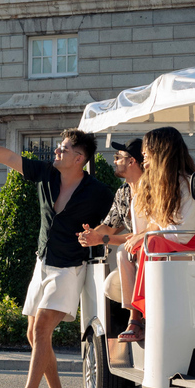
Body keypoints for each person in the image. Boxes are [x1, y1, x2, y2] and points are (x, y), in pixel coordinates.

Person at [0, 129, 113, 388]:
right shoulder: (46, 174)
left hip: (69, 268)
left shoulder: (98, 193)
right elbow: (8, 157)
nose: (57, 151)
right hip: (43, 262)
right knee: (33, 335)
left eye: (63, 148)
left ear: (79, 158)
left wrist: (99, 236)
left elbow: (114, 225)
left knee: (42, 328)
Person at [122, 126, 195, 341]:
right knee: (128, 250)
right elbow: (150, 226)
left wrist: (149, 234)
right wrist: (146, 233)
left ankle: (147, 317)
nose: (143, 155)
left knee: (152, 245)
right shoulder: (154, 186)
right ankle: (139, 317)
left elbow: (182, 235)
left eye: (147, 150)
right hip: (170, 245)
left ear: (161, 151)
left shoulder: (188, 183)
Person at [77, 138, 146, 340]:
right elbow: (109, 226)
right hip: (135, 252)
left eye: (118, 157)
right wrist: (90, 235)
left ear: (132, 161)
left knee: (125, 251)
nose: (114, 161)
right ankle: (136, 320)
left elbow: (143, 233)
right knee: (124, 255)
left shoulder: (153, 188)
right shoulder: (123, 191)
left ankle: (135, 320)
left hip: (149, 247)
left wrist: (102, 239)